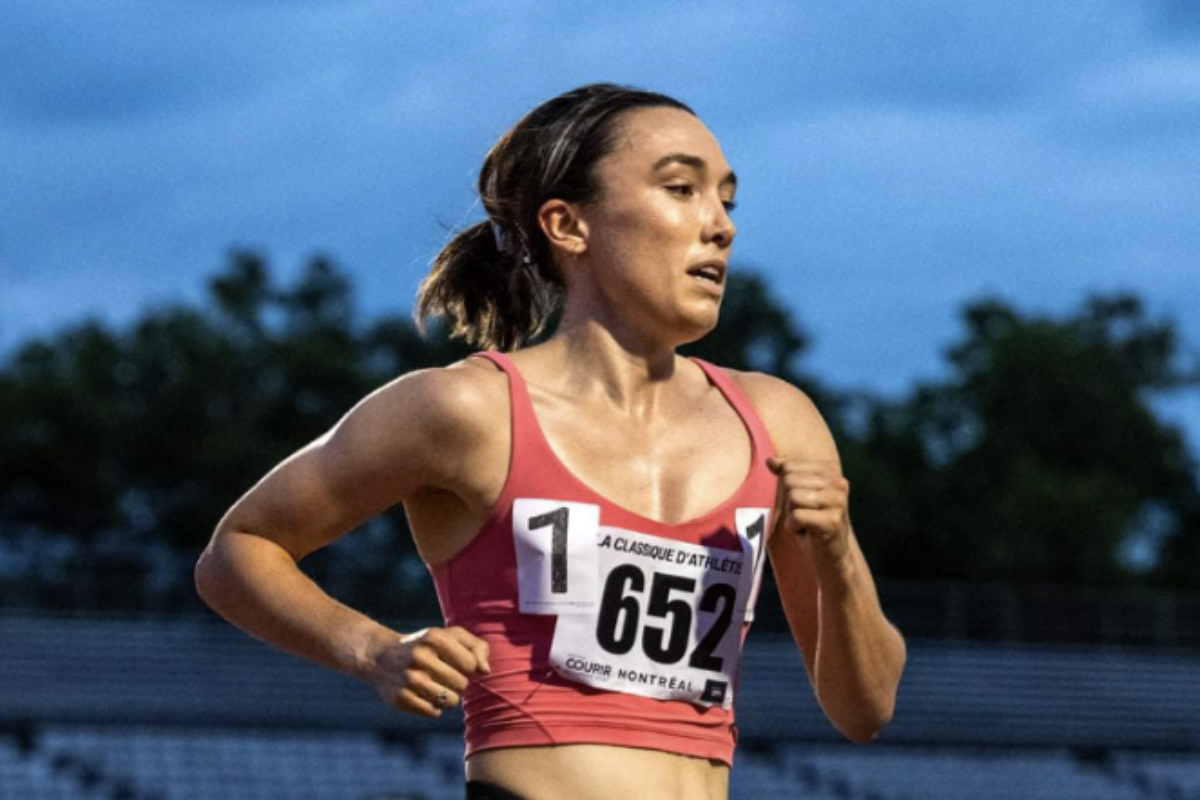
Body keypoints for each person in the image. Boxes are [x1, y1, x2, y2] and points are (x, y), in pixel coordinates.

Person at [195, 83, 906, 800]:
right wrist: (373, 650)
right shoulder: (468, 410)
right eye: (682, 189)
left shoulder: (778, 423)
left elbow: (865, 709)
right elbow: (236, 551)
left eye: (727, 199)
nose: (720, 225)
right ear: (568, 226)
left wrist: (839, 553)